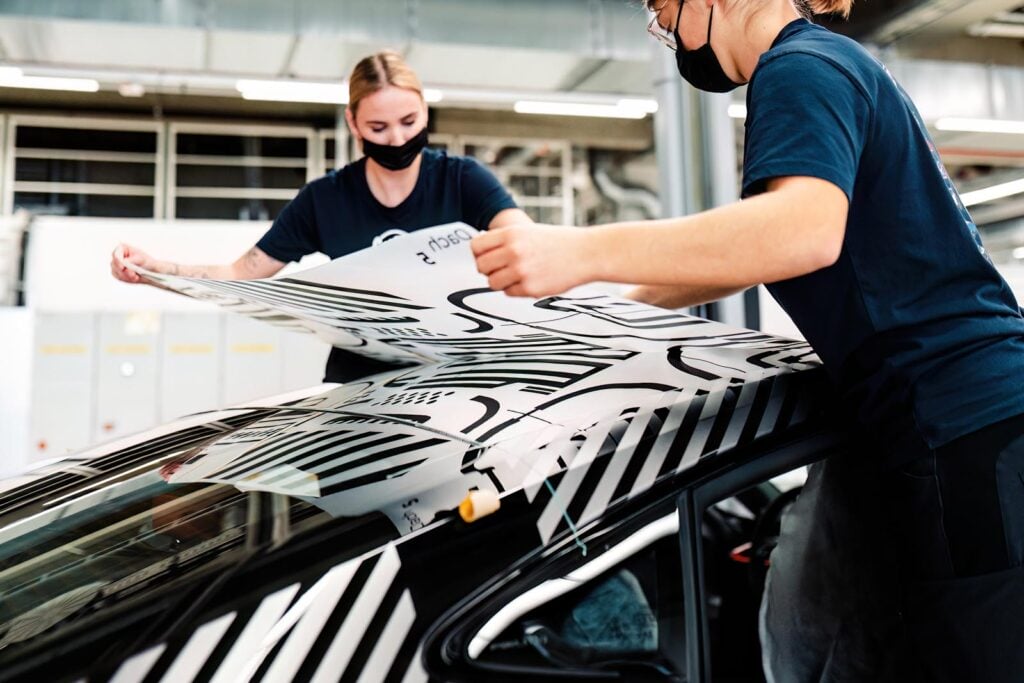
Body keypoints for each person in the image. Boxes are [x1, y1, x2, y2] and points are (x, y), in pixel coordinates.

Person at [471, 0, 1024, 681]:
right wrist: (588, 319)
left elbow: (801, 233)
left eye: (661, 10)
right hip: (966, 428)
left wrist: (579, 250)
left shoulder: (798, 68)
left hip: (963, 433)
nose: (665, 32)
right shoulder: (824, 62)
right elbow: (734, 249)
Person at [111, 50, 532, 383]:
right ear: (352, 122)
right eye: (379, 127)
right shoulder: (324, 200)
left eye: (409, 121)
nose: (399, 138)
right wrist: (156, 271)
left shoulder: (463, 181)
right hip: (361, 381)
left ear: (425, 109)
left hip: (454, 373)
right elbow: (241, 274)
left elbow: (530, 244)